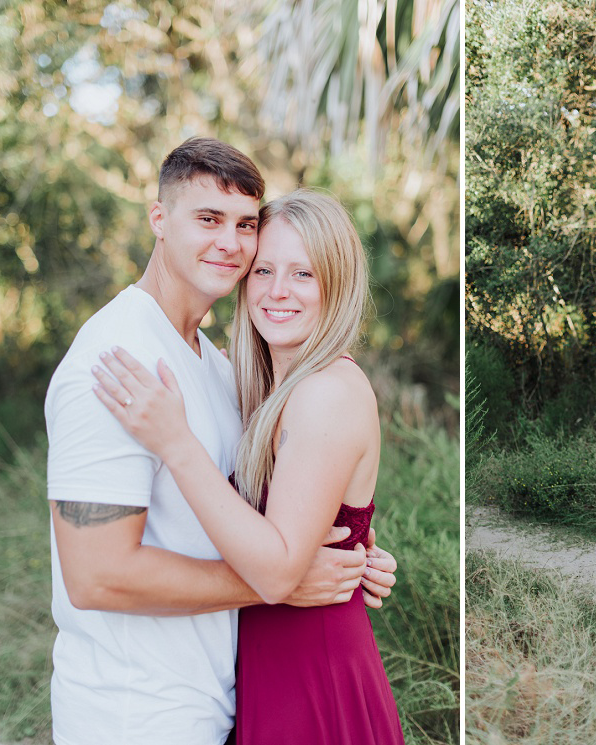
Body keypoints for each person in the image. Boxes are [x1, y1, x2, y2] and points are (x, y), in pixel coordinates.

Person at [45, 138, 397, 745]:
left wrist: (352, 550)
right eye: (207, 219)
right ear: (159, 219)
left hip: (221, 698)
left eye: (244, 225)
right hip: (135, 714)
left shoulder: (213, 365)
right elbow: (95, 577)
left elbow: (270, 508)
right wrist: (288, 582)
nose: (230, 243)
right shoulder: (115, 362)